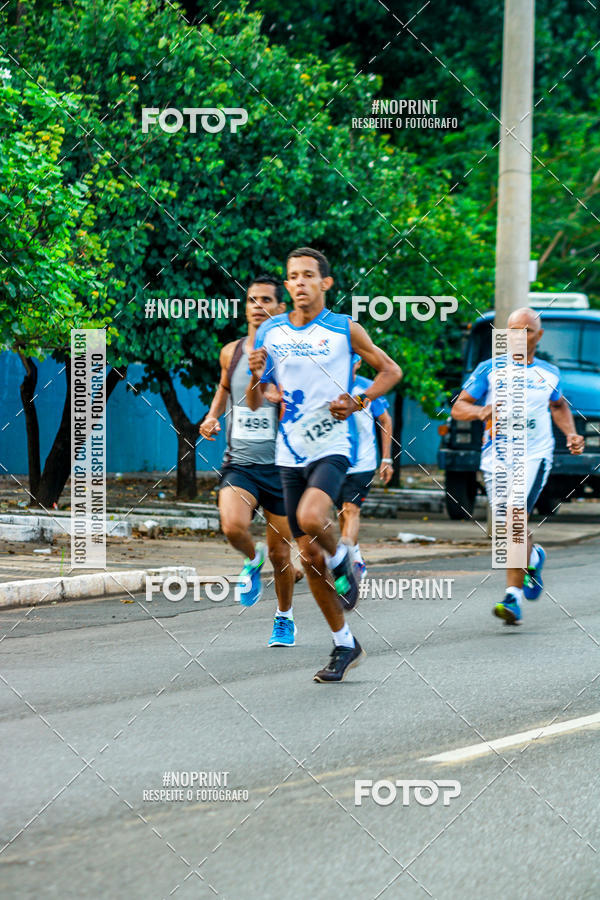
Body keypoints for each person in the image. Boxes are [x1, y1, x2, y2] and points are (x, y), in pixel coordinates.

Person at [247, 247, 402, 681]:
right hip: (289, 451)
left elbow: (391, 370)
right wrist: (258, 377)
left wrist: (359, 399)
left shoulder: (343, 329)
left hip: (333, 443)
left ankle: (345, 560)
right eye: (292, 276)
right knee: (309, 556)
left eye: (307, 275)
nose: (298, 283)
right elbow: (259, 398)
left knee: (313, 517)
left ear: (325, 284)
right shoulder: (271, 331)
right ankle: (344, 644)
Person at [451, 307, 585, 625]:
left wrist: (571, 434)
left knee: (515, 518)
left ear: (538, 335)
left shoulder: (549, 373)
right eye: (512, 330)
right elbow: (459, 407)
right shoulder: (489, 369)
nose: (518, 336)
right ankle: (534, 557)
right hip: (496, 456)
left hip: (534, 454)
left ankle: (512, 596)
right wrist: (482, 412)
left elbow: (558, 405)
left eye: (525, 330)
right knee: (509, 526)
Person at [199, 275, 300, 648]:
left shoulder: (292, 352)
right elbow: (225, 386)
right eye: (252, 299)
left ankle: (284, 617)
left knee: (281, 554)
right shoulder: (232, 351)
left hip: (282, 467)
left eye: (266, 300)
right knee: (232, 526)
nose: (258, 306)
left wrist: (283, 397)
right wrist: (213, 416)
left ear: (280, 307)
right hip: (240, 462)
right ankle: (250, 558)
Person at [337, 353, 393, 579]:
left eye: (352, 363)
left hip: (363, 462)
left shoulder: (369, 388)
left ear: (359, 363)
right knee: (341, 512)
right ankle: (357, 557)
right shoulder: (327, 385)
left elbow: (385, 420)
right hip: (335, 461)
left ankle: (347, 562)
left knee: (351, 510)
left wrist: (386, 459)